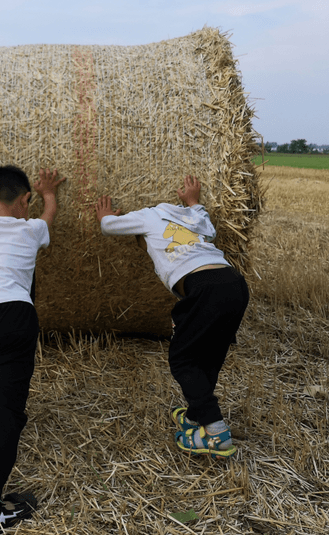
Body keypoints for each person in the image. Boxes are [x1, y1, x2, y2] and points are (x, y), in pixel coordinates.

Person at [95, 175, 249, 458]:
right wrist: (193, 201)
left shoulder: (147, 216)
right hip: (234, 284)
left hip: (203, 288)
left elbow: (108, 227)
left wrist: (106, 216)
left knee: (182, 358)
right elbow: (209, 228)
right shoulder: (192, 218)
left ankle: (215, 432)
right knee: (209, 354)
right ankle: (195, 415)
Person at [0, 165, 66, 535]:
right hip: (14, 316)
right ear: (25, 201)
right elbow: (48, 216)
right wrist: (49, 192)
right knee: (10, 413)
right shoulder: (31, 227)